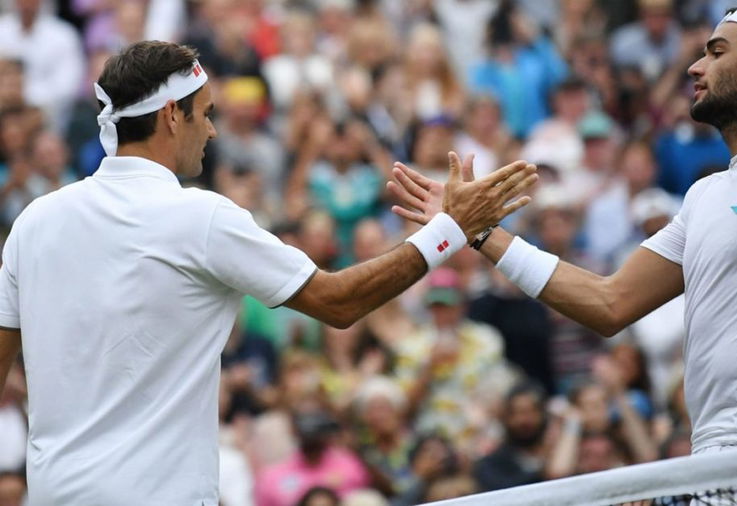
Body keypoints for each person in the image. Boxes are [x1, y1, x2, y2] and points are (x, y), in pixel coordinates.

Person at [0, 41, 537, 505]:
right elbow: (338, 301)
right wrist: (450, 229)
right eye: (205, 113)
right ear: (171, 117)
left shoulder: (34, 221)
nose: (212, 129)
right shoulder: (201, 217)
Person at [389, 4, 737, 460]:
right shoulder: (704, 195)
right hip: (715, 458)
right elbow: (609, 303)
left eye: (717, 52)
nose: (695, 67)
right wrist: (478, 230)